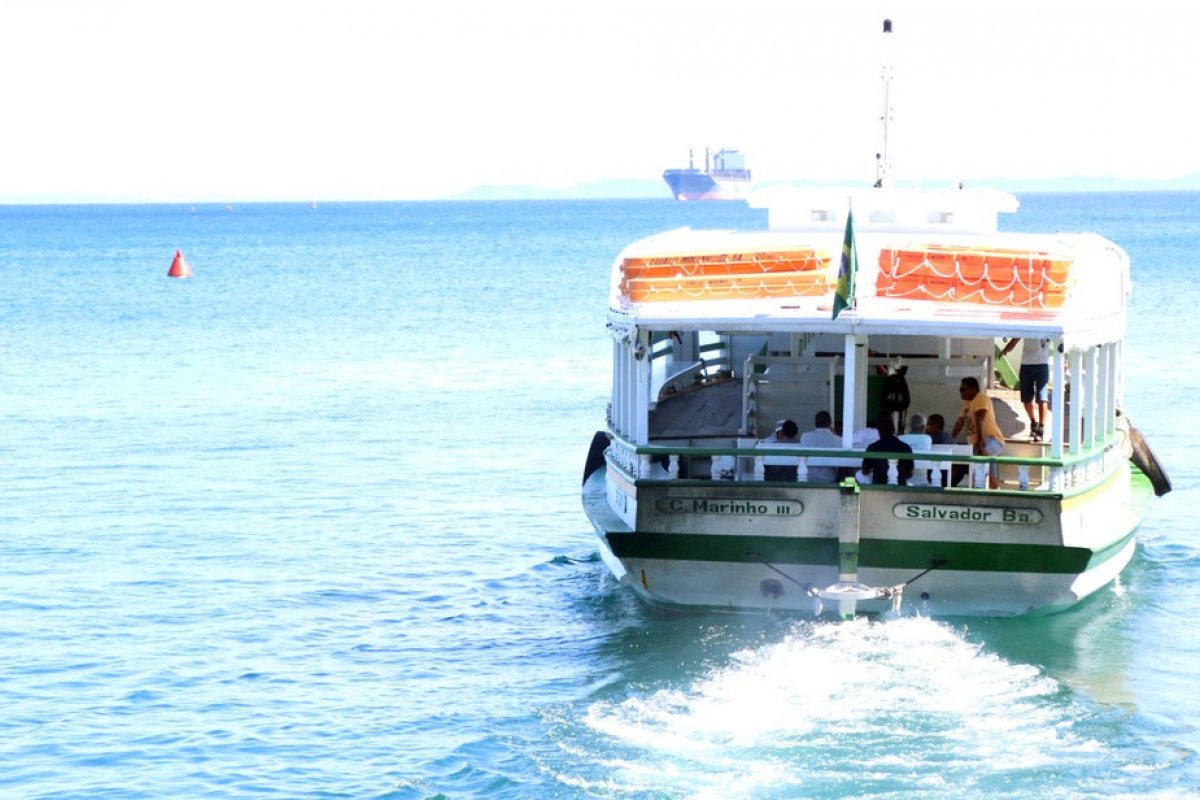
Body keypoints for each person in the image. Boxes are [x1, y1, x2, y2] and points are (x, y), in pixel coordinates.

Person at [951, 376, 1004, 488]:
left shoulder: (981, 398)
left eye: (963, 390)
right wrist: (950, 439)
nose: (960, 393)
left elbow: (979, 417)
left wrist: (980, 440)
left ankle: (982, 488)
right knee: (962, 465)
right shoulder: (966, 403)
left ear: (972, 389)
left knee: (979, 457)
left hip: (993, 440)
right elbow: (960, 422)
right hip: (976, 445)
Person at [1000, 337, 1051, 441]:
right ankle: (1033, 422)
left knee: (1042, 398)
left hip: (1042, 366)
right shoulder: (1029, 324)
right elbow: (1015, 339)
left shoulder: (1049, 325)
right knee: (1026, 400)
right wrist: (1006, 349)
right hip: (1026, 365)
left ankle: (1041, 428)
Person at [861, 414, 913, 485]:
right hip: (900, 486)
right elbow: (910, 473)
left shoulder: (872, 447)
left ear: (878, 431)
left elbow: (865, 471)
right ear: (893, 430)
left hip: (878, 487)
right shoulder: (906, 447)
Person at [799, 410, 841, 482]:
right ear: (830, 423)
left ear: (815, 423)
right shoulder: (838, 440)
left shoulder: (805, 437)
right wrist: (833, 432)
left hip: (808, 477)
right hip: (830, 478)